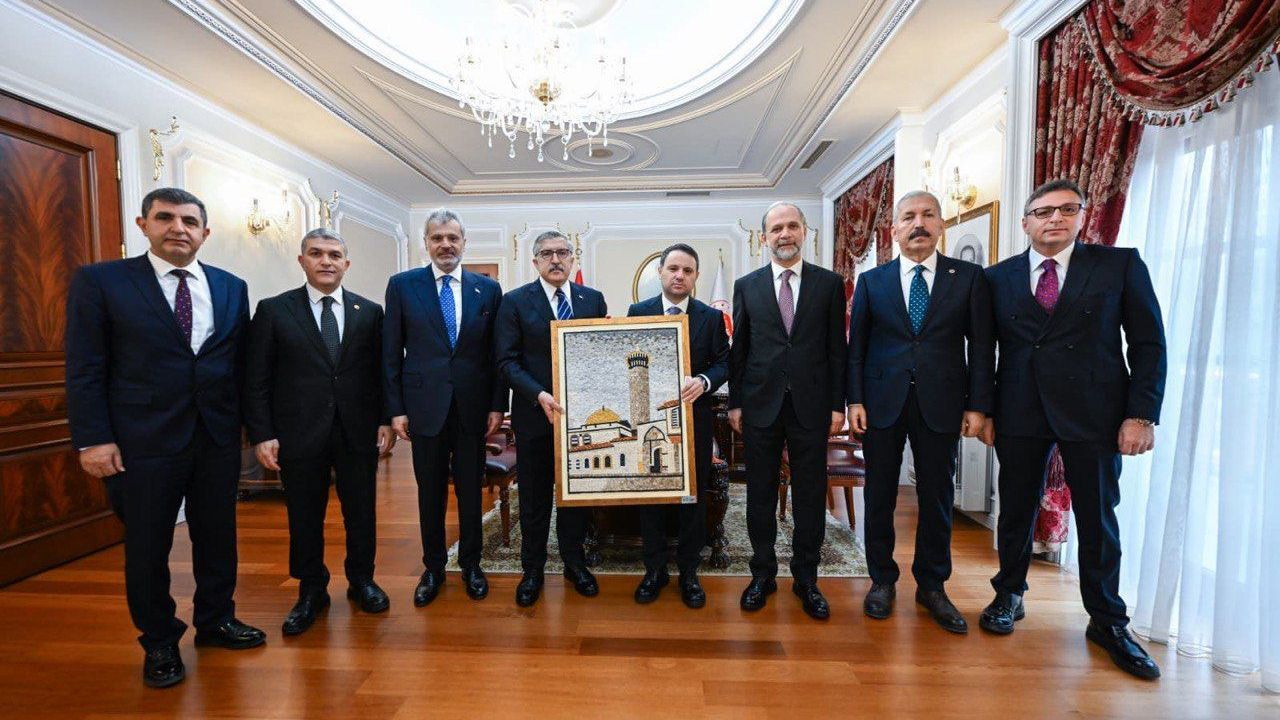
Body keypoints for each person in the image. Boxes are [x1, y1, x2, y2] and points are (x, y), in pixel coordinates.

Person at [65, 187, 265, 689]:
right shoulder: (102, 282)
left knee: (218, 537)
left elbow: (239, 363)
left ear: (205, 232)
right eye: (165, 218)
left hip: (216, 436)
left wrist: (251, 429)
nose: (178, 228)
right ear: (144, 224)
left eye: (189, 221)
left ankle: (216, 619)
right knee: (148, 544)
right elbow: (86, 366)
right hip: (141, 440)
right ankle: (158, 639)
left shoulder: (230, 286)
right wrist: (93, 438)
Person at [979, 179, 1167, 680]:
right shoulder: (997, 278)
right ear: (1025, 223)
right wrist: (984, 410)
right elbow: (984, 352)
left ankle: (1107, 620)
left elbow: (1148, 343)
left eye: (1066, 209)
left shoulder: (1118, 266)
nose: (1055, 219)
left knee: (1098, 517)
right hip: (1020, 411)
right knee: (1015, 509)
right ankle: (1009, 593)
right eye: (1043, 212)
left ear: (1082, 216)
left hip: (1095, 412)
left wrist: (1140, 415)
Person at [847, 190, 994, 633]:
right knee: (879, 496)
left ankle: (932, 586)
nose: (918, 224)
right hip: (881, 403)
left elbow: (981, 346)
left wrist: (978, 405)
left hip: (943, 402)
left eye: (928, 215)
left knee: (937, 496)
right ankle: (882, 580)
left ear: (941, 225)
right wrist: (855, 400)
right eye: (909, 217)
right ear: (894, 230)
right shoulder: (872, 281)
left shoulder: (967, 278)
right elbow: (857, 348)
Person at [244, 228, 395, 635]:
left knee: (361, 511)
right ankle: (311, 588)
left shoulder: (370, 312)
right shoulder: (274, 311)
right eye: (316, 253)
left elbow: (381, 373)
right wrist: (262, 433)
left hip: (357, 431)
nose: (326, 261)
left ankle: (362, 580)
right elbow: (256, 378)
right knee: (304, 514)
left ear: (346, 263)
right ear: (302, 261)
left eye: (334, 255)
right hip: (298, 432)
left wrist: (385, 419)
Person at [728, 201, 847, 620]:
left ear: (804, 232)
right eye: (776, 228)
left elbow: (837, 349)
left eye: (792, 226)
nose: (785, 234)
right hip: (760, 405)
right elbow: (740, 349)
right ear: (764, 237)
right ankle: (762, 574)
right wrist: (736, 401)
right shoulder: (746, 285)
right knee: (759, 494)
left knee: (810, 495)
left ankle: (806, 579)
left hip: (812, 406)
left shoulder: (830, 284)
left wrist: (837, 404)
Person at [383, 209, 506, 607]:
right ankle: (433, 568)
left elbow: (495, 355)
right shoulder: (403, 286)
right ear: (426, 243)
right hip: (424, 407)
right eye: (437, 238)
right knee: (430, 492)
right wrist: (395, 409)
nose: (445, 245)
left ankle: (471, 564)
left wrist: (497, 405)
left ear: (464, 243)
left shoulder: (487, 290)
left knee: (471, 491)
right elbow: (391, 353)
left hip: (473, 408)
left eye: (453, 238)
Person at [495, 230, 607, 607]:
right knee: (534, 498)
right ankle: (533, 570)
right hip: (534, 415)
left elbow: (601, 355)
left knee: (575, 496)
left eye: (562, 252)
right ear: (535, 262)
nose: (555, 259)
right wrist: (539, 394)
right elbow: (507, 361)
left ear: (573, 258)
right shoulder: (514, 302)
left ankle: (575, 563)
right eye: (546, 254)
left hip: (582, 419)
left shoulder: (592, 300)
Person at [627, 243, 730, 608]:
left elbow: (724, 362)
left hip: (693, 421)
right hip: (648, 420)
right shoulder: (638, 312)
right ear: (661, 272)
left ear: (696, 276)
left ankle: (689, 572)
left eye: (687, 270)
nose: (679, 276)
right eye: (673, 268)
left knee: (692, 499)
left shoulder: (710, 317)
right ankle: (654, 570)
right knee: (652, 496)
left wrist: (704, 380)